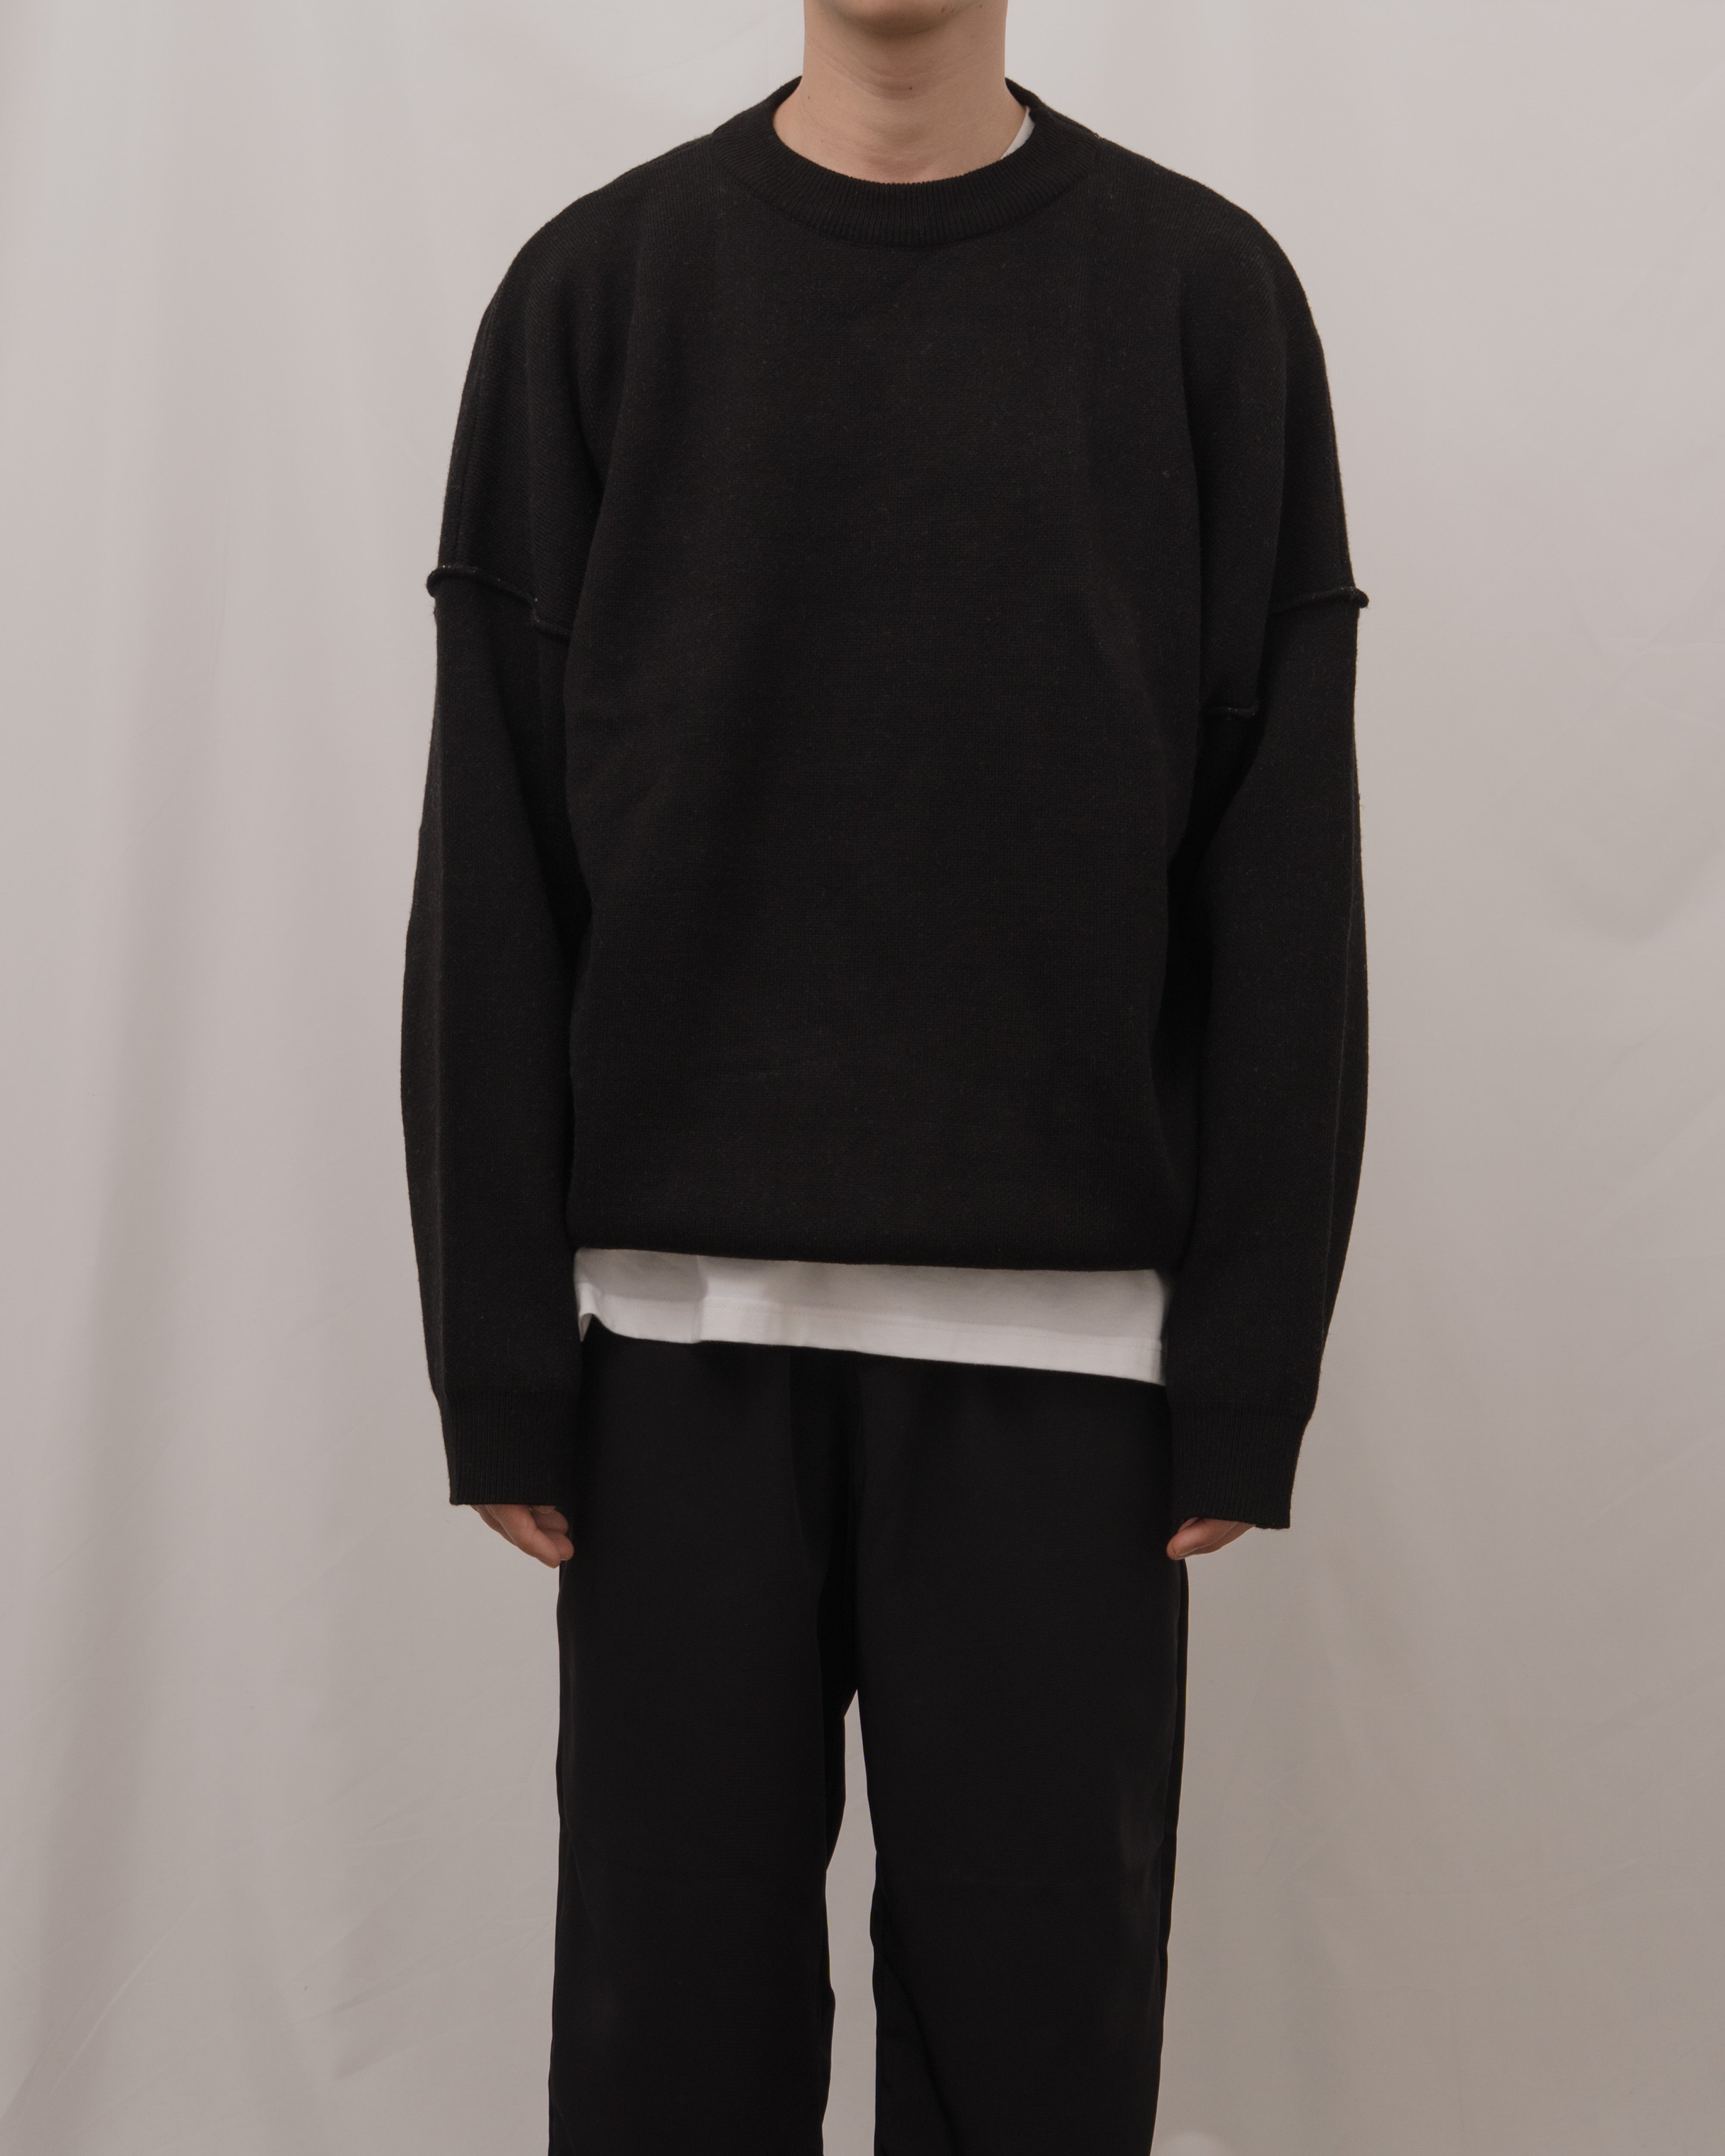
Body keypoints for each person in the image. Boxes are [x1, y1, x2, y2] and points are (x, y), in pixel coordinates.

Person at [401, 0, 1368, 2147]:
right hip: (674, 1365)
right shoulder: (598, 294)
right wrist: (497, 1353)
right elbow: (494, 853)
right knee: (668, 2050)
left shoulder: (1201, 301)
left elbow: (1283, 864)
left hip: (1067, 1372)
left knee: (1042, 2053)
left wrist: (1247, 1359)